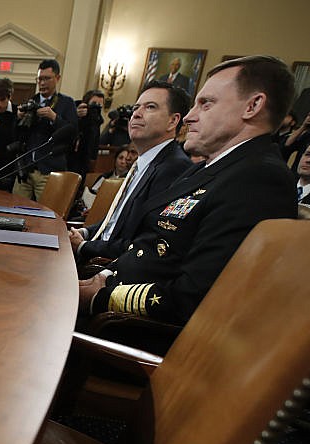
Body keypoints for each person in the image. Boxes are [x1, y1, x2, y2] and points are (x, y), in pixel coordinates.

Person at [79, 55, 298, 325]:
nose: (190, 117)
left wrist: (99, 297)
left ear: (253, 106)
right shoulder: (211, 169)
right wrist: (101, 277)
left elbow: (194, 298)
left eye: (206, 104)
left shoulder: (259, 179)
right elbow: (151, 245)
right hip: (114, 293)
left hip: (131, 328)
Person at [69, 81, 192, 262]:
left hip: (110, 268)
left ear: (173, 121)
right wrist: (85, 232)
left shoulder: (174, 167)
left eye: (150, 107)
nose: (136, 114)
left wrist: (83, 246)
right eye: (136, 107)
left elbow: (145, 242)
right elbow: (116, 223)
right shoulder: (142, 163)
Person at [13, 58, 77, 200]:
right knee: (15, 209)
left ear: (57, 78)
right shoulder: (31, 101)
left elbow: (73, 132)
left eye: (47, 78)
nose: (42, 83)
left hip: (50, 169)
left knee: (46, 214)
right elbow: (16, 134)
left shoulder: (66, 103)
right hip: (26, 168)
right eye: (39, 79)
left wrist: (54, 117)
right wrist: (18, 118)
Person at [69, 89, 105, 180]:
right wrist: (77, 116)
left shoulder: (97, 120)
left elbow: (95, 140)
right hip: (70, 157)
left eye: (99, 105)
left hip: (84, 160)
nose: (96, 107)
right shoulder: (74, 110)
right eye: (94, 103)